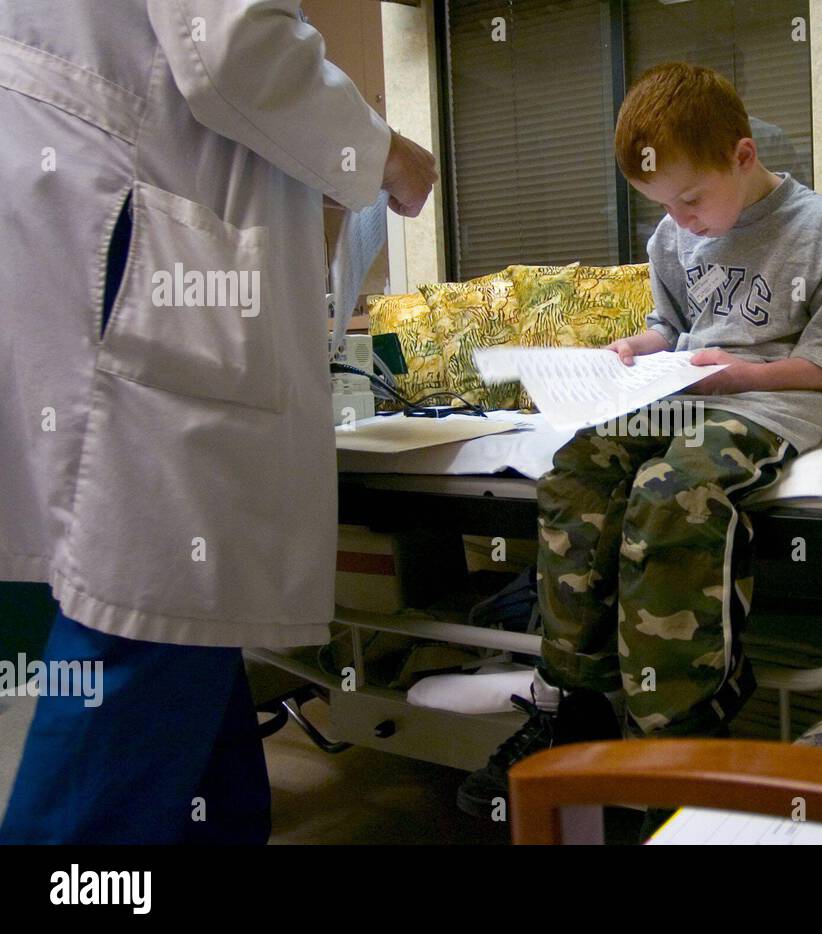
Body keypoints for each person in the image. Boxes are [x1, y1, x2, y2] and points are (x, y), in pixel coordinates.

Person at [0, 0, 435, 843]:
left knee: (183, 615)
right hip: (134, 231)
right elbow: (234, 43)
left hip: (87, 199)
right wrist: (387, 153)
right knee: (154, 604)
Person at [457, 62, 822, 820]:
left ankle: (678, 744)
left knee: (671, 493)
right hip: (684, 392)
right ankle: (574, 707)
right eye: (662, 206)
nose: (680, 220)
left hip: (774, 402)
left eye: (691, 199)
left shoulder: (820, 228)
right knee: (576, 470)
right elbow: (674, 327)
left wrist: (735, 379)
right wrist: (639, 347)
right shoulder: (673, 237)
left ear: (742, 157)